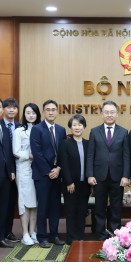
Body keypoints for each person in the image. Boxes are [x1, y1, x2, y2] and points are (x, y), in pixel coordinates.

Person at [86, 101, 130, 240]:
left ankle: (115, 233)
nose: (109, 115)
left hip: (118, 176)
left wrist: (126, 175)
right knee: (100, 207)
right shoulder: (94, 131)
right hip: (99, 176)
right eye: (106, 112)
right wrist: (90, 174)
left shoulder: (123, 132)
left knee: (116, 207)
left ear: (117, 114)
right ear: (102, 114)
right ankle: (100, 233)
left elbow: (126, 156)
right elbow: (90, 155)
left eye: (112, 112)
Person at [30, 99, 66, 248]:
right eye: (48, 109)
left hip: (57, 174)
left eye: (53, 109)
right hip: (42, 175)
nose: (51, 112)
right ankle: (42, 236)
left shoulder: (61, 130)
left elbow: (63, 152)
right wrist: (48, 171)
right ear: (44, 112)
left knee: (55, 207)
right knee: (43, 206)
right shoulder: (37, 129)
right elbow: (36, 153)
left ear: (57, 112)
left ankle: (54, 235)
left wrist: (58, 169)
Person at [59, 114, 91, 245]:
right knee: (71, 211)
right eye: (74, 125)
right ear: (70, 128)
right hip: (71, 184)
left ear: (84, 127)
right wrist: (69, 181)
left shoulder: (88, 143)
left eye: (80, 125)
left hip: (85, 184)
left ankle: (80, 236)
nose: (77, 127)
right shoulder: (65, 144)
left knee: (82, 211)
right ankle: (71, 238)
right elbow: (64, 164)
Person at [12, 103, 41, 245]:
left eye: (33, 113)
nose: (31, 115)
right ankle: (24, 234)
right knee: (25, 202)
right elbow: (16, 151)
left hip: (38, 169)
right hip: (24, 169)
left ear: (37, 114)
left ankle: (32, 232)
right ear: (24, 114)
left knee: (35, 202)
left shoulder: (40, 129)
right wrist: (29, 156)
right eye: (28, 112)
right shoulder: (19, 131)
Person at [0, 97, 20, 243]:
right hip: (5, 171)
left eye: (14, 107)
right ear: (3, 109)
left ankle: (8, 231)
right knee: (3, 203)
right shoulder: (1, 126)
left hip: (19, 170)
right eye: (8, 107)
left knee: (12, 202)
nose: (11, 109)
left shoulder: (20, 127)